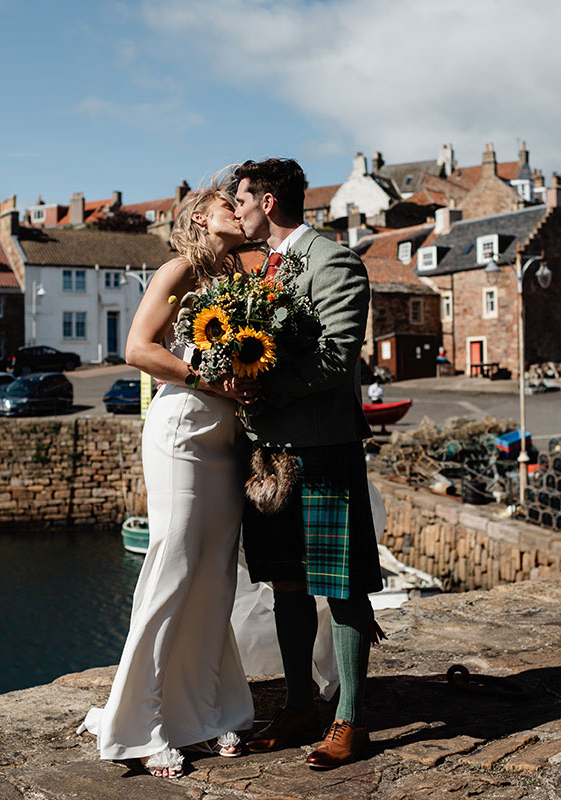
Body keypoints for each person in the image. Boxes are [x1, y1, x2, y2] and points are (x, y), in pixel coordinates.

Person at [80, 180, 256, 778]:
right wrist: (206, 380)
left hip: (225, 438)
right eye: (225, 204)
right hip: (180, 430)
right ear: (199, 219)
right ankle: (141, 724)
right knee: (172, 564)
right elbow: (136, 348)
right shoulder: (180, 269)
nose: (237, 209)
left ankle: (203, 713)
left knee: (214, 577)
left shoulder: (239, 278)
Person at [231, 158, 383, 770]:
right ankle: (299, 705)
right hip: (268, 455)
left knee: (342, 589)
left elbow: (336, 358)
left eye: (241, 200)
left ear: (267, 202)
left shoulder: (334, 261)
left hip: (322, 448)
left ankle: (350, 720)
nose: (236, 210)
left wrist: (261, 385)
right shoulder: (256, 269)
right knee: (285, 584)